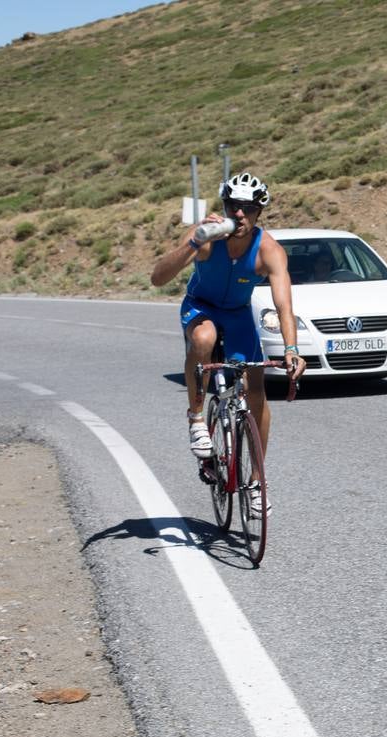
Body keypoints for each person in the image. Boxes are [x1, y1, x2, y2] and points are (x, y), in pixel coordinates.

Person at [150, 172, 306, 506]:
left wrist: (292, 349)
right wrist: (194, 241)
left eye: (247, 208)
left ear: (258, 213)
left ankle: (255, 482)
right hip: (200, 307)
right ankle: (196, 418)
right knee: (204, 339)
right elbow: (158, 278)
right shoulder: (207, 237)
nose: (239, 214)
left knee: (257, 392)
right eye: (233, 206)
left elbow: (284, 305)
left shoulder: (269, 251)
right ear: (224, 206)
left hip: (237, 315)